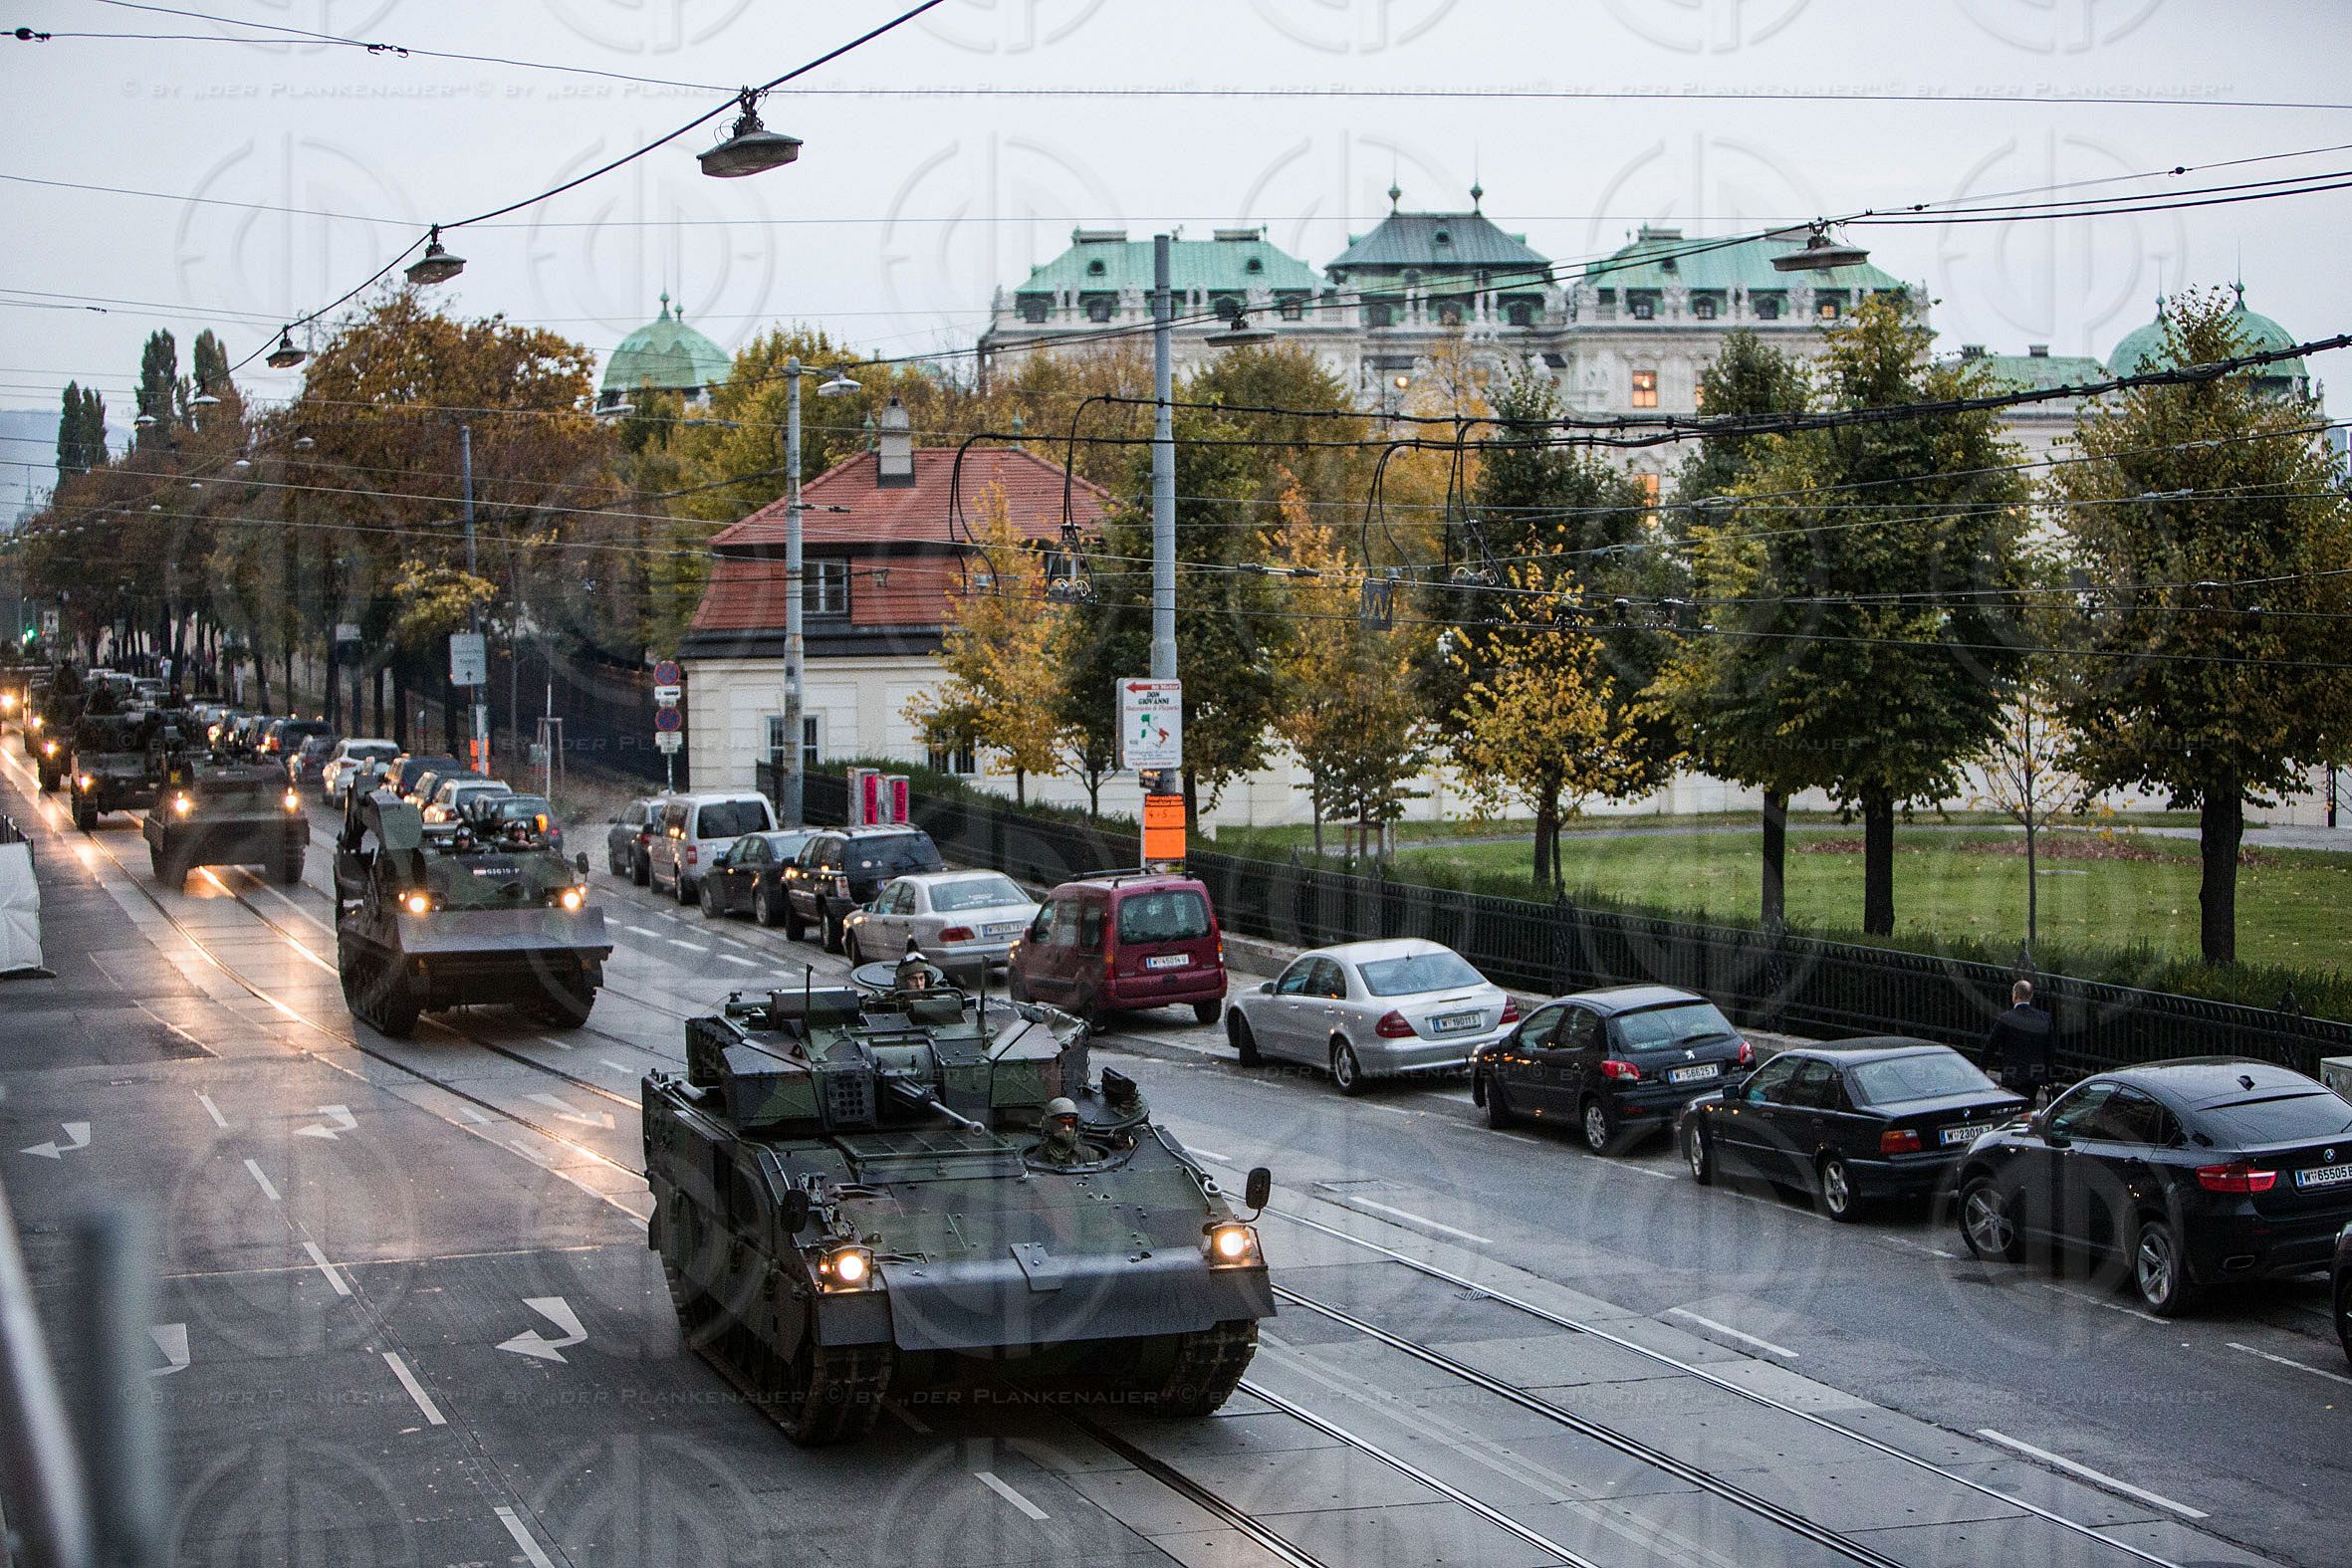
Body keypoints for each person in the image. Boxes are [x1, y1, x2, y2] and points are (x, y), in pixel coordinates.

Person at [1984, 979, 2053, 1104]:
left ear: (2015, 995)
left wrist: (1981, 1070)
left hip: (2013, 1075)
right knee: (2030, 1104)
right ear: (2031, 996)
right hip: (2035, 1075)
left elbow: (1990, 1046)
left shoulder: (2006, 1018)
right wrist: (2048, 1077)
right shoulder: (2044, 1019)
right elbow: (2050, 1050)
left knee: (2016, 1108)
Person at [1033, 1097, 1093, 1168]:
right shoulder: (1037, 1158)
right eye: (1061, 1124)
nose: (1067, 1129)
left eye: (1071, 1123)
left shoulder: (1090, 1156)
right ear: (1048, 1125)